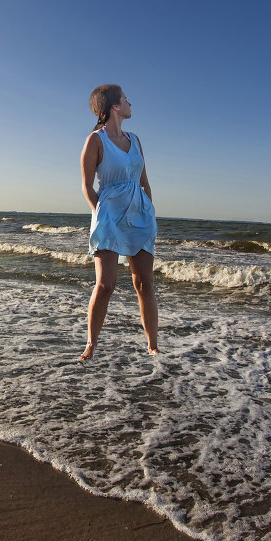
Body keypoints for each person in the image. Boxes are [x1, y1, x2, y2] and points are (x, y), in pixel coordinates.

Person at [80, 84, 158, 360]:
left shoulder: (135, 140)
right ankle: (91, 344)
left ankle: (153, 345)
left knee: (144, 283)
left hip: (140, 217)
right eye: (126, 100)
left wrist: (148, 209)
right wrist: (99, 214)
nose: (129, 104)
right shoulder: (95, 141)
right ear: (115, 106)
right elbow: (87, 186)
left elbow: (144, 182)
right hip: (109, 219)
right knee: (106, 284)